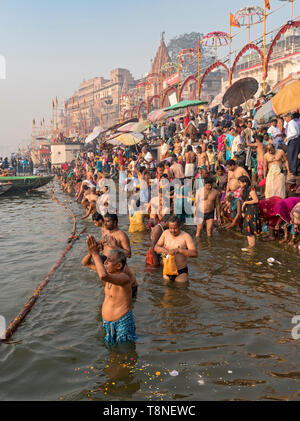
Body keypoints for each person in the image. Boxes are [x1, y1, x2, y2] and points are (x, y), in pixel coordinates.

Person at [85, 236, 137, 345]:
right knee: (112, 352)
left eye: (109, 260)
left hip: (122, 322)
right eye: (106, 259)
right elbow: (86, 263)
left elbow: (103, 276)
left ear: (118, 266)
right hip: (108, 323)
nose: (105, 263)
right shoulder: (109, 273)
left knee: (125, 352)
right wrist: (91, 252)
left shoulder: (124, 278)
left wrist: (95, 254)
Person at [154, 215, 198, 283]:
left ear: (180, 226)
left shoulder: (186, 236)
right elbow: (156, 247)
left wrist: (179, 250)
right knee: (167, 292)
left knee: (180, 290)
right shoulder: (165, 233)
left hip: (181, 272)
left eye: (175, 228)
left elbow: (195, 253)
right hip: (167, 270)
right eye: (170, 228)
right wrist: (164, 251)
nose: (172, 231)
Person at [238, 175, 261, 248]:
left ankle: (251, 246)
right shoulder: (245, 190)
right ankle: (251, 245)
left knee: (250, 229)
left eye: (240, 183)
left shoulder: (251, 189)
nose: (239, 184)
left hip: (252, 211)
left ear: (245, 183)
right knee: (248, 228)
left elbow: (256, 200)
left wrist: (246, 203)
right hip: (248, 210)